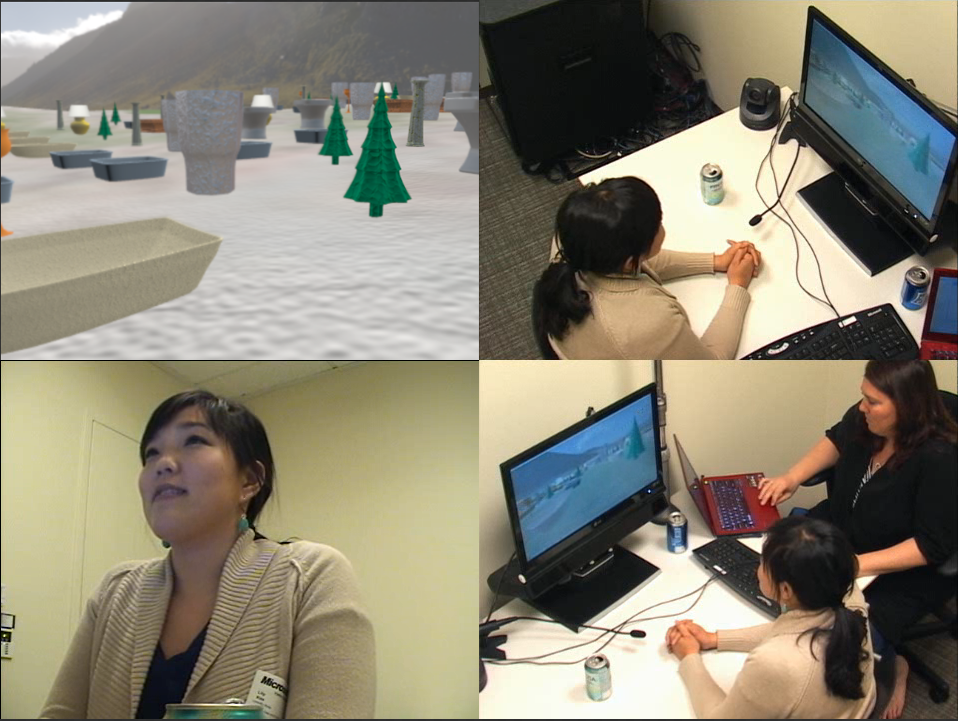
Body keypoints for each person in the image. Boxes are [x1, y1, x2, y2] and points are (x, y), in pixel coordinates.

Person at [39, 390, 376, 719]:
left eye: (193, 441)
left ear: (250, 481)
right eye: (151, 453)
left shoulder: (311, 577)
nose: (162, 464)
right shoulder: (116, 590)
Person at [757, 360, 958, 719]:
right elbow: (835, 439)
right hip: (843, 528)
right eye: (863, 397)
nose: (862, 407)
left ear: (908, 406)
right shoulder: (864, 420)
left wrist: (855, 565)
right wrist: (791, 477)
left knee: (844, 639)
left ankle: (895, 666)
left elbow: (931, 545)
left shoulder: (939, 459)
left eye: (873, 401)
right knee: (783, 560)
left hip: (903, 567)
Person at [666, 516, 876, 718]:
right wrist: (714, 639)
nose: (758, 569)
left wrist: (689, 657)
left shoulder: (776, 664)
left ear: (785, 591)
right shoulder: (845, 592)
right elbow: (792, 632)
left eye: (762, 563)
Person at [532, 176, 762, 359]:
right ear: (629, 260)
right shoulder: (648, 323)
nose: (661, 225)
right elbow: (712, 364)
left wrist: (715, 261)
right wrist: (738, 286)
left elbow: (639, 262)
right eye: (657, 224)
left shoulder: (574, 237)